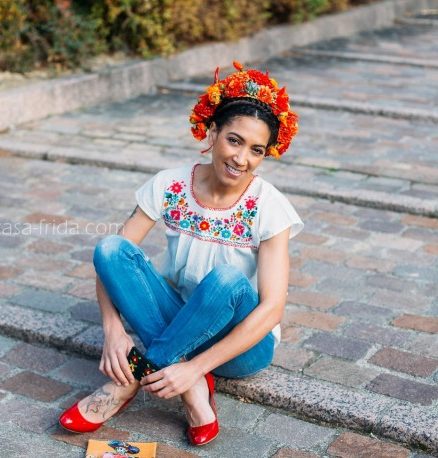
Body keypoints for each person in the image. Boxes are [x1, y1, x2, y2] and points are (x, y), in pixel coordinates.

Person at [59, 61, 304, 446]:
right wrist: (112, 330)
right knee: (110, 248)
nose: (241, 158)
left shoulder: (270, 207)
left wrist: (198, 368)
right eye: (234, 140)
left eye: (256, 150)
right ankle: (192, 389)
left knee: (227, 279)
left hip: (241, 347)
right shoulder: (170, 184)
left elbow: (272, 308)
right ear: (213, 132)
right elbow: (115, 259)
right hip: (179, 319)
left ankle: (129, 383)